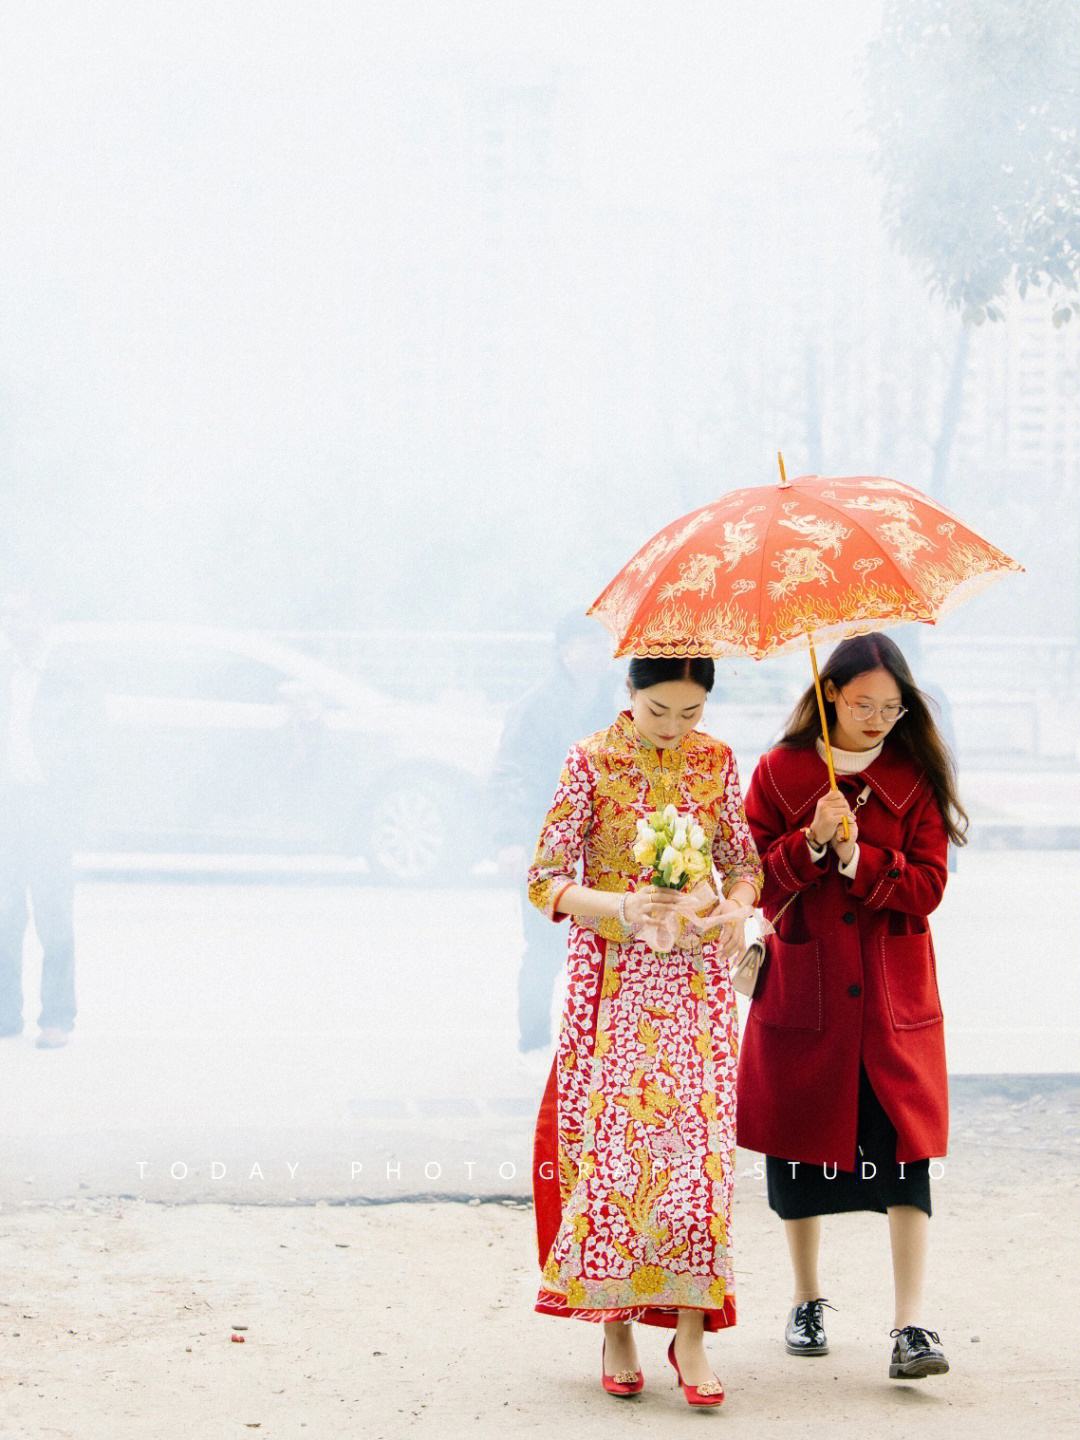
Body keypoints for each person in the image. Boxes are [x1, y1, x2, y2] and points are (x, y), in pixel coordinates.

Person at [527, 653, 763, 1405]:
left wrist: (736, 907)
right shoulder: (590, 762)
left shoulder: (717, 761)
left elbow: (741, 862)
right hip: (614, 989)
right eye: (659, 710)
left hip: (696, 995)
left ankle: (690, 1337)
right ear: (630, 693)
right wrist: (622, 908)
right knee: (617, 1161)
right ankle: (616, 1323)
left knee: (699, 1165)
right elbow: (544, 881)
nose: (673, 729)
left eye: (689, 713)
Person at [736, 632, 966, 1381]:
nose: (878, 718)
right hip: (808, 992)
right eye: (864, 703)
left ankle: (911, 1323)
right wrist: (809, 841)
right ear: (831, 693)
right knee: (798, 1151)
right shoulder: (778, 772)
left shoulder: (914, 774)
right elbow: (751, 880)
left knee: (904, 1155)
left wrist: (861, 857)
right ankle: (806, 1299)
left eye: (893, 708)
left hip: (890, 993)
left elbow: (929, 885)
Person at [489, 610, 619, 1054]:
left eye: (602, 645)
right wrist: (508, 840)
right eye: (586, 645)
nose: (597, 654)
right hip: (546, 843)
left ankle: (594, 1044)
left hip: (606, 845)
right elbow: (509, 775)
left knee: (606, 945)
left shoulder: (620, 702)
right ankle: (534, 1042)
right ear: (564, 652)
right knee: (544, 946)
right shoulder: (535, 706)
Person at [0, 589, 104, 1049]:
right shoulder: (4, 672)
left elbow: (92, 748)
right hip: (6, 804)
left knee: (54, 916)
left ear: (45, 621)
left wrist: (72, 814)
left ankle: (57, 1016)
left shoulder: (71, 677)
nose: (18, 625)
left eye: (26, 616)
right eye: (10, 617)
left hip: (49, 809)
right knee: (4, 916)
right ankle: (5, 1013)